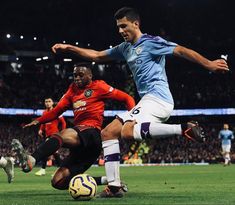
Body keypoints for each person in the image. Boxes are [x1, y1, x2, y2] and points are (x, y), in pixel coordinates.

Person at [50, 7, 229, 197]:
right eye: (118, 27)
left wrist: (209, 64)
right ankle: (115, 186)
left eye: (124, 26)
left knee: (126, 132)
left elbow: (182, 51)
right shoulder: (125, 48)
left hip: (159, 98)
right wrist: (68, 48)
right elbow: (96, 55)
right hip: (148, 100)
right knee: (108, 133)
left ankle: (183, 128)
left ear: (136, 24)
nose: (120, 31)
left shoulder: (152, 42)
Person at [11, 63, 135, 192]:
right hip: (84, 149)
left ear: (90, 76)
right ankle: (108, 181)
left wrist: (131, 119)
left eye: (81, 75)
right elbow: (57, 110)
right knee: (58, 181)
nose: (77, 78)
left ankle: (31, 160)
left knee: (61, 135)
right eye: (75, 75)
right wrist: (38, 121)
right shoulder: (72, 90)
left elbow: (127, 98)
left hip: (92, 133)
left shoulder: (99, 86)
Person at [35, 97, 66, 176]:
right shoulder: (44, 112)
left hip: (54, 135)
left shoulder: (56, 111)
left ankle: (43, 169)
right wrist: (41, 129)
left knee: (46, 151)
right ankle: (60, 169)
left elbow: (63, 123)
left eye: (49, 101)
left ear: (52, 103)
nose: (47, 103)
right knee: (54, 152)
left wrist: (63, 131)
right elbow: (43, 122)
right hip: (47, 135)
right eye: (46, 101)